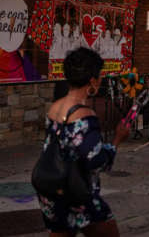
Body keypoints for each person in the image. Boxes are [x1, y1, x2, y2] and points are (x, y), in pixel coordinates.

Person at [38, 47, 130, 237]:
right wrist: (117, 139)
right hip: (77, 193)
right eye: (100, 76)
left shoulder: (55, 107)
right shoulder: (85, 116)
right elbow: (96, 161)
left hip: (52, 189)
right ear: (92, 81)